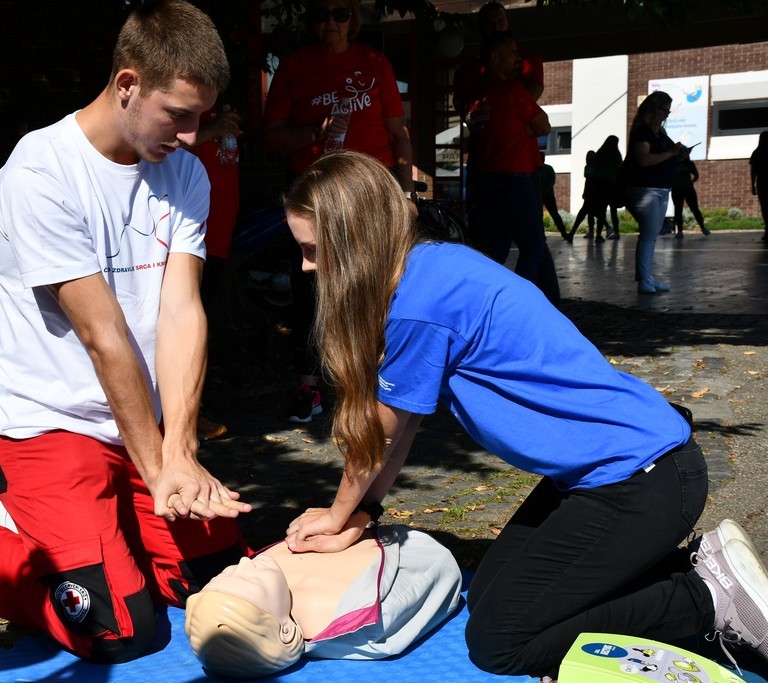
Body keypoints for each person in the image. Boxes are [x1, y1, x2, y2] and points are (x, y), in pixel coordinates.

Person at [279, 150, 768, 679]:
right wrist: (364, 515)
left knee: (501, 641)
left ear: (353, 239)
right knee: (489, 595)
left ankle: (704, 598)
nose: (306, 266)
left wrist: (336, 515)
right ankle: (686, 565)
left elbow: (379, 433)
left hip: (640, 481)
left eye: (312, 250)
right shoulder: (434, 265)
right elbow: (405, 429)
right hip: (601, 477)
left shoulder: (420, 304)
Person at [0, 1, 252, 663]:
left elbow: (182, 311)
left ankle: (81, 536)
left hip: (138, 428)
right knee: (118, 628)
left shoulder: (186, 172)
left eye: (202, 117)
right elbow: (105, 337)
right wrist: (161, 471)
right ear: (127, 84)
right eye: (178, 114)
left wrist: (178, 450)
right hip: (49, 424)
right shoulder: (40, 172)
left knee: (219, 584)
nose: (190, 135)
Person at [260, 0, 415, 423]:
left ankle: (377, 384)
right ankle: (308, 389)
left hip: (369, 189)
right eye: (323, 12)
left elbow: (397, 131)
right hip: (316, 194)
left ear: (353, 20)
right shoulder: (295, 66)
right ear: (312, 19)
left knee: (376, 282)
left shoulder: (374, 61)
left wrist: (406, 192)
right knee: (312, 291)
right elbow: (270, 139)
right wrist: (313, 132)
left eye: (341, 13)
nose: (331, 21)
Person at [185, 524, 462, 678]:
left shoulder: (269, 580)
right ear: (284, 629)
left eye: (230, 571)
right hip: (407, 548)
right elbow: (432, 563)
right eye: (250, 580)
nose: (245, 561)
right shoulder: (364, 617)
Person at [465, 31, 553, 299]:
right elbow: (544, 125)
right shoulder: (512, 91)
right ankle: (521, 303)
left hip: (482, 180)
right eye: (512, 51)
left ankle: (483, 300)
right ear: (495, 57)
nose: (518, 58)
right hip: (514, 177)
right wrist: (525, 127)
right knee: (533, 245)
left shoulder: (475, 97)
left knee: (492, 249)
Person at [183, 103, 244, 441]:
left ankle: (192, 410)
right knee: (188, 324)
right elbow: (166, 146)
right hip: (191, 235)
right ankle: (185, 414)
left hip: (219, 234)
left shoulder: (218, 113)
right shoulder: (186, 114)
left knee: (208, 325)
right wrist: (211, 130)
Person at [622, 91, 689, 294]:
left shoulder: (659, 133)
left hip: (659, 188)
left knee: (651, 234)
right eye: (664, 110)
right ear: (654, 108)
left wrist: (678, 154)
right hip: (645, 189)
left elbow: (662, 157)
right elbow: (643, 160)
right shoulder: (643, 132)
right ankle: (644, 279)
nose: (666, 115)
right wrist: (670, 153)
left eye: (668, 111)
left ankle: (647, 277)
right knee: (649, 234)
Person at [672, 157, 709, 237]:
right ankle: (680, 231)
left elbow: (696, 175)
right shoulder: (672, 163)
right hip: (676, 190)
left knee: (694, 208)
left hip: (688, 189)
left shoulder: (688, 163)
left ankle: (702, 227)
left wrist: (690, 182)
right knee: (678, 210)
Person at [539, 156, 568, 241]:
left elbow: (552, 180)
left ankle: (563, 232)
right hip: (541, 195)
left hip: (547, 195)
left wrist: (546, 189)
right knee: (539, 215)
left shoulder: (547, 168)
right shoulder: (537, 169)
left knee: (554, 214)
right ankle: (540, 233)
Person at [752, 130, 768, 243]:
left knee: (765, 208)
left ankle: (767, 231)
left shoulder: (757, 152)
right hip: (763, 183)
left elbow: (753, 171)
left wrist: (752, 184)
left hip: (762, 183)